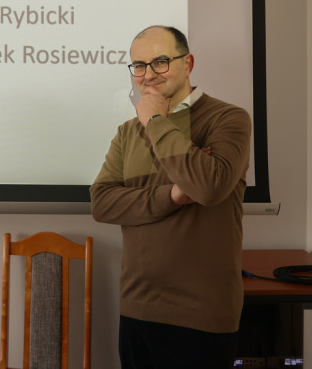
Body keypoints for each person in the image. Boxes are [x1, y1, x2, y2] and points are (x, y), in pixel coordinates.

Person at [91, 25, 252, 369]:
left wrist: (155, 120)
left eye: (160, 62)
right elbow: (102, 203)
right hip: (137, 309)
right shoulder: (127, 132)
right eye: (139, 65)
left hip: (202, 315)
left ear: (187, 63)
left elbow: (208, 187)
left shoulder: (228, 119)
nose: (148, 74)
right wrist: (174, 195)